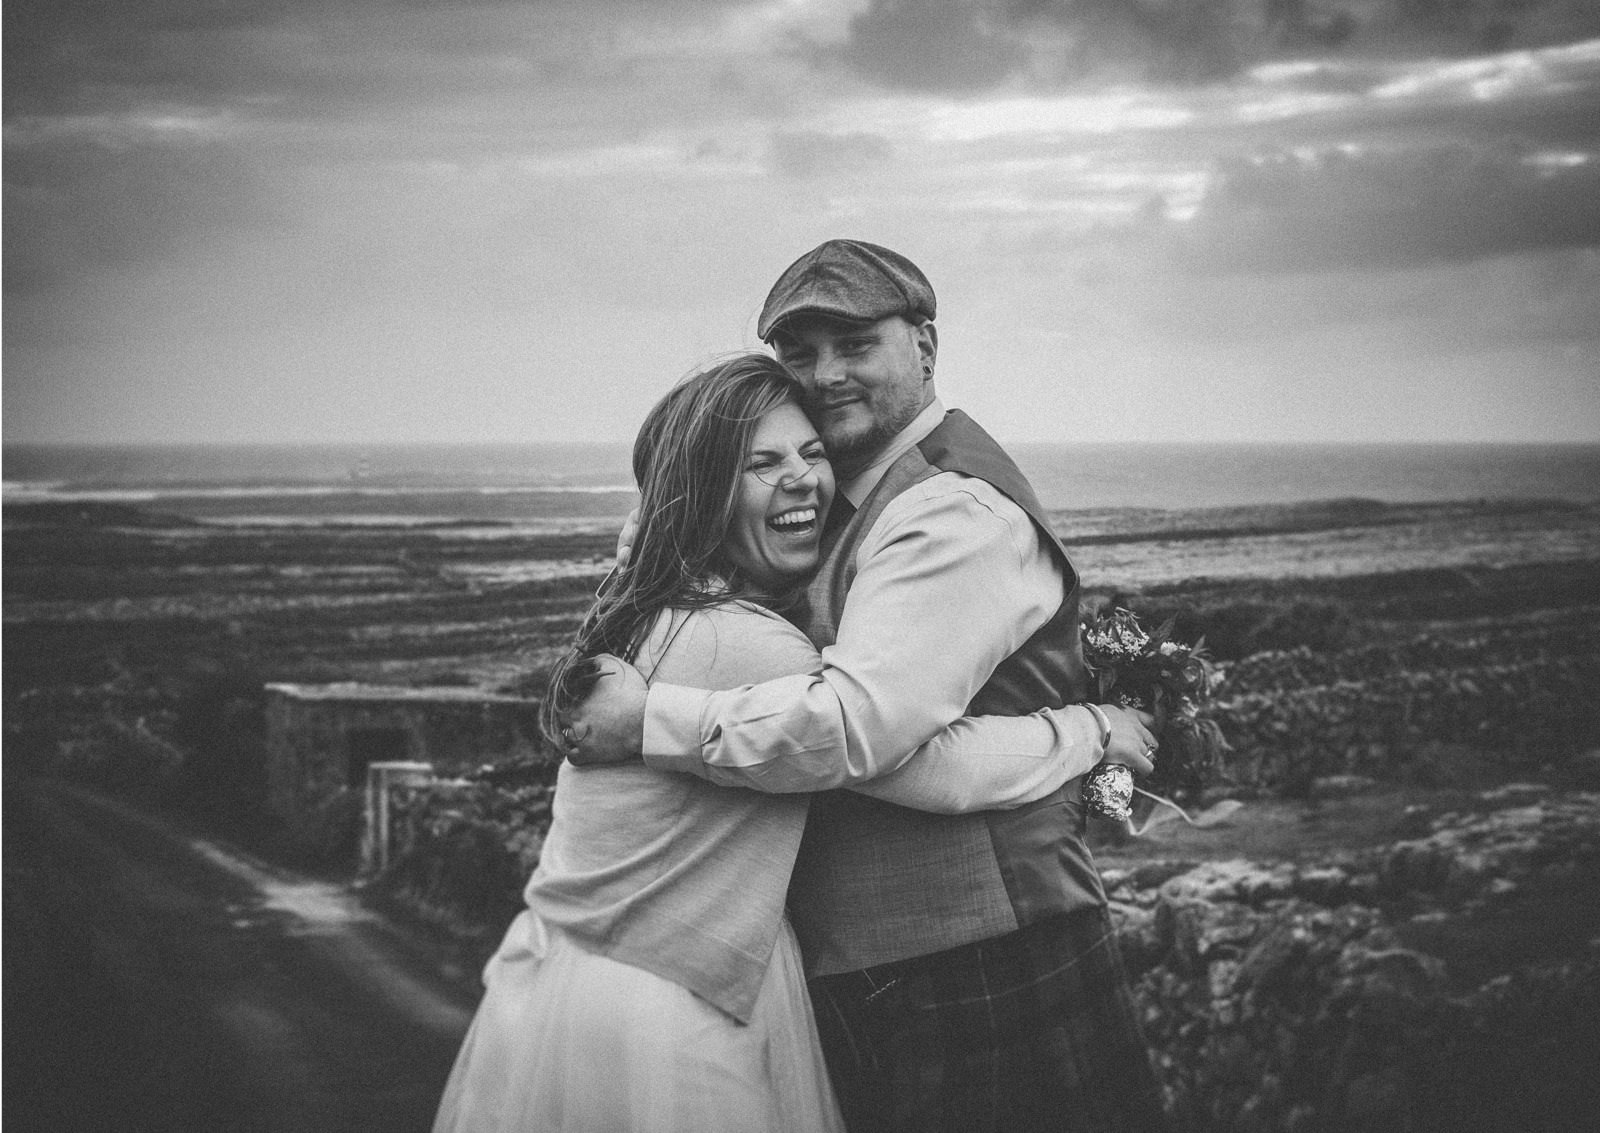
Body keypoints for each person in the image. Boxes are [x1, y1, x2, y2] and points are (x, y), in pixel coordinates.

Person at [433, 354, 1140, 1133]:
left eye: (812, 454)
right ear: (704, 493)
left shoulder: (646, 615)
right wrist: (1092, 730)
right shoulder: (752, 649)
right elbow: (921, 765)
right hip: (671, 1012)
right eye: (762, 463)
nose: (803, 479)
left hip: (566, 980)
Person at [565, 240, 1169, 1132]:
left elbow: (858, 733)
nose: (825, 374)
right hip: (887, 970)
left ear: (924, 346)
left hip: (981, 958)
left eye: (854, 344)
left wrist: (647, 718)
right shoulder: (837, 491)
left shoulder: (948, 510)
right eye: (800, 354)